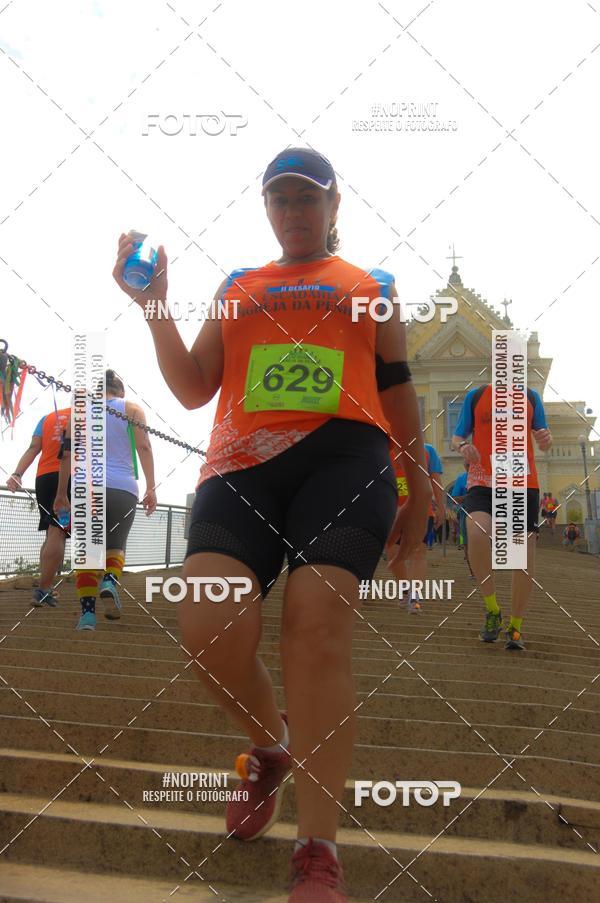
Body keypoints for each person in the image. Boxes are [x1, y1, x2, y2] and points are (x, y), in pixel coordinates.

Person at [112, 146, 431, 903]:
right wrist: (155, 304)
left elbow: (398, 390)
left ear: (334, 205)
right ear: (266, 209)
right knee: (207, 633)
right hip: (240, 465)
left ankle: (317, 849)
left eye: (306, 199)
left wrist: (421, 490)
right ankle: (272, 745)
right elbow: (192, 390)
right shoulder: (238, 286)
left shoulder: (370, 286)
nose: (293, 213)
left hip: (344, 460)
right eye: (280, 201)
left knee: (314, 629)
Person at [54, 370, 157, 630]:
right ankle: (110, 580)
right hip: (122, 487)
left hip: (84, 488)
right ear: (120, 392)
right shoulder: (132, 408)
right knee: (116, 545)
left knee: (87, 552)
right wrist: (151, 487)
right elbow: (144, 447)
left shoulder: (78, 413)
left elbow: (66, 456)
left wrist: (61, 494)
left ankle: (87, 616)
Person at [452, 383, 552, 651]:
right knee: (475, 530)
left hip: (522, 483)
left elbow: (543, 435)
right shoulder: (475, 396)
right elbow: (458, 436)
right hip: (483, 481)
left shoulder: (531, 397)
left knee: (521, 553)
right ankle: (492, 609)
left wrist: (545, 439)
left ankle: (516, 625)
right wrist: (463, 447)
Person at [7, 403, 71, 606]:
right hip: (69, 476)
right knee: (58, 532)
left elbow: (34, 448)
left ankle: (46, 586)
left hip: (43, 478)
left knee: (50, 531)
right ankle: (43, 589)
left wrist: (17, 474)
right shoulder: (88, 416)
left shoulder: (47, 417)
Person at [388, 442, 444, 612]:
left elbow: (435, 479)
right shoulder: (384, 447)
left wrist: (441, 506)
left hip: (421, 508)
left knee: (419, 552)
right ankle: (405, 590)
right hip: (392, 508)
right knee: (393, 552)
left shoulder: (428, 450)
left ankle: (414, 597)